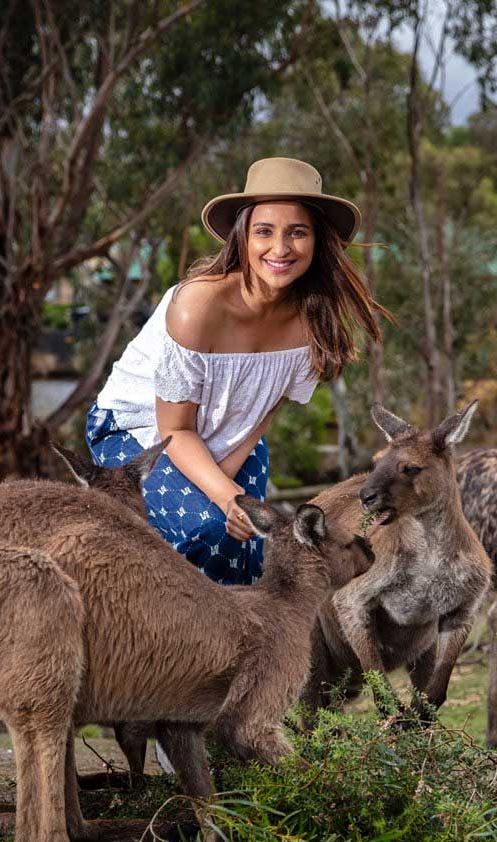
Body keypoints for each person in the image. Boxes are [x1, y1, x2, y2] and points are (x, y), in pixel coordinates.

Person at [85, 157, 387, 584]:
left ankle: (238, 647)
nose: (280, 248)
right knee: (206, 532)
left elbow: (266, 407)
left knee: (253, 544)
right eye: (264, 231)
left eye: (297, 232)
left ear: (319, 242)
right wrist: (227, 498)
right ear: (243, 237)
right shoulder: (197, 307)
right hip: (141, 432)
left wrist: (230, 482)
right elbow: (177, 430)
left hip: (236, 436)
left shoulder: (313, 318)